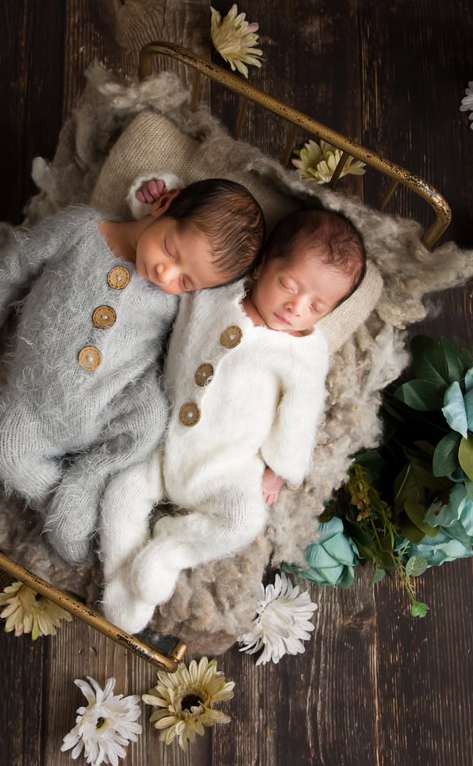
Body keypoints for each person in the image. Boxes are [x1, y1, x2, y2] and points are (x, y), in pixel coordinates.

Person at [99, 189, 367, 633]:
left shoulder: (304, 352)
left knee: (244, 520)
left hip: (228, 465)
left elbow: (301, 410)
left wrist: (279, 468)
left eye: (316, 306)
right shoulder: (217, 288)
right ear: (262, 265)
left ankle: (167, 551)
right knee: (121, 496)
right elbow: (182, 237)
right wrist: (156, 194)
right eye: (289, 284)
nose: (295, 307)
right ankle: (120, 584)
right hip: (161, 442)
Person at [0, 179, 266, 563]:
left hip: (114, 401)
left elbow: (196, 344)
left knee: (149, 420)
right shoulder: (83, 228)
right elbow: (20, 259)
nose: (165, 273)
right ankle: (66, 506)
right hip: (35, 399)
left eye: (186, 281)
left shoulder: (178, 303)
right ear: (165, 204)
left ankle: (86, 479)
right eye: (171, 250)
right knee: (0, 449)